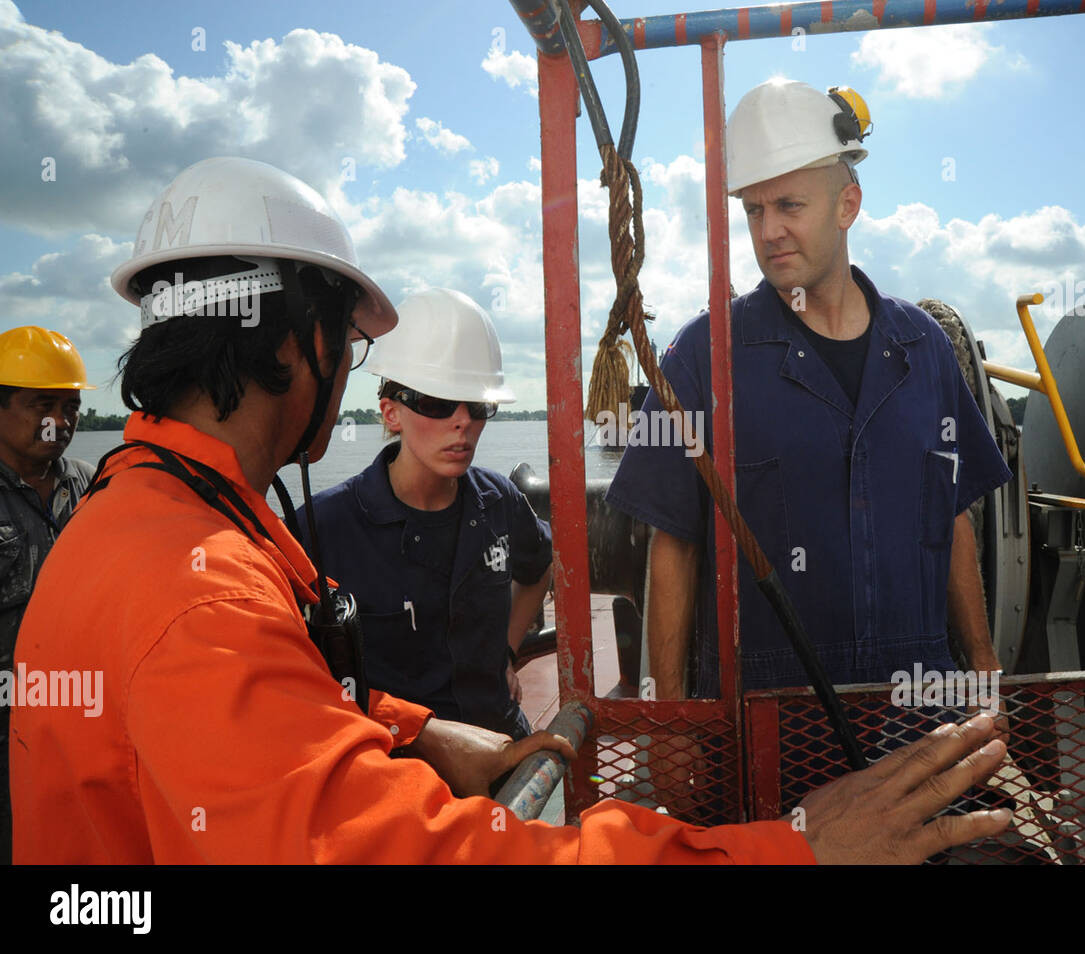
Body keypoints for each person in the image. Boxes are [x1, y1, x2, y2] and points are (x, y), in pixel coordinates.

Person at [9, 155, 1010, 864]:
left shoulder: (140, 516)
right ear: (288, 343)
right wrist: (790, 850)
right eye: (344, 344)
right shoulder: (199, 596)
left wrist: (426, 735)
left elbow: (278, 711)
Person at [606, 79, 1012, 719]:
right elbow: (674, 545)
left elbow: (953, 517)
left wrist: (985, 673)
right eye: (752, 210)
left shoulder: (924, 349)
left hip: (923, 716)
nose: (769, 231)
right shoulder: (703, 358)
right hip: (766, 728)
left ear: (847, 204)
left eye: (789, 205)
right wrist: (675, 719)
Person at [300, 288, 551, 744]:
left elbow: (538, 568)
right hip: (401, 770)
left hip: (503, 743)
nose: (462, 422)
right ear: (391, 413)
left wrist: (506, 653)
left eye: (477, 407)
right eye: (437, 404)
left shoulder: (500, 502)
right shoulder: (322, 530)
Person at [0, 326, 96, 864]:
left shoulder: (93, 485)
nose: (61, 421)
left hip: (81, 730)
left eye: (71, 406)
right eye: (43, 404)